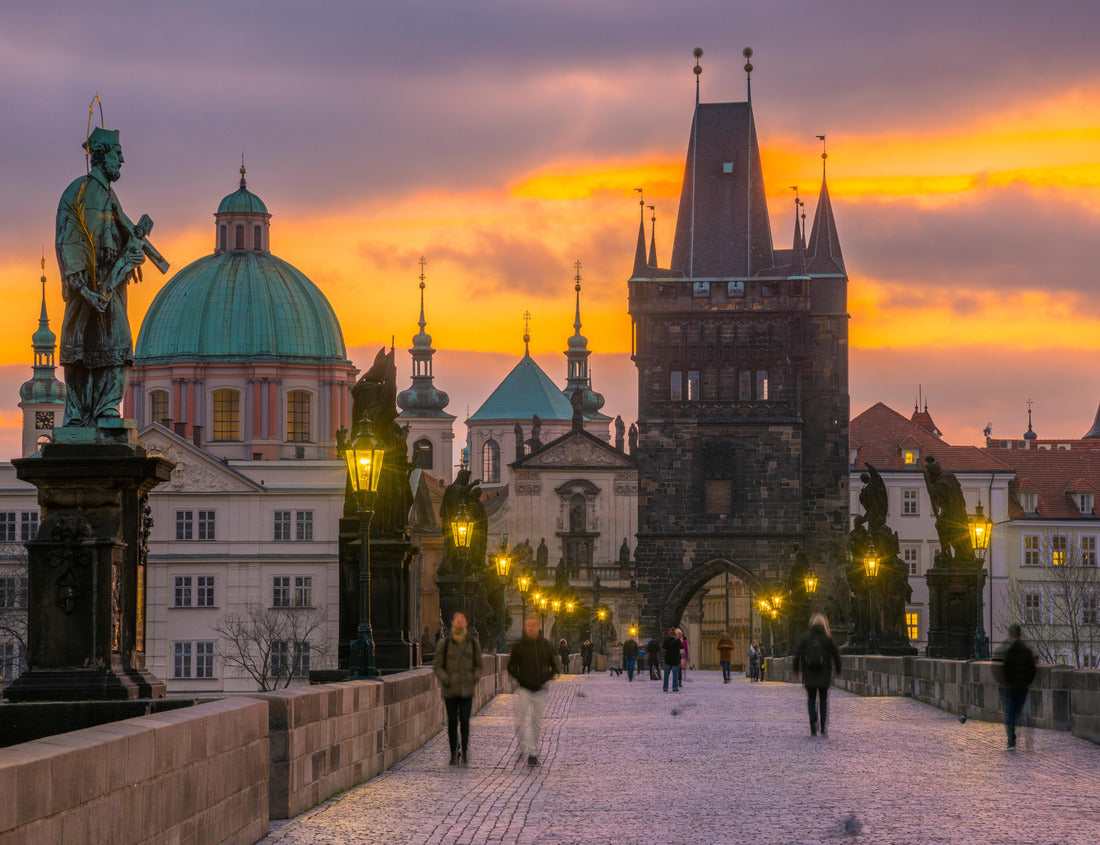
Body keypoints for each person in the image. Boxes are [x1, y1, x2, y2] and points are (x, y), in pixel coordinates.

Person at [56, 126, 164, 428]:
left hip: (110, 285)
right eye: (118, 154)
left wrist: (132, 257)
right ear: (102, 156)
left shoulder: (108, 194)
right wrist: (85, 288)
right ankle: (79, 414)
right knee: (83, 349)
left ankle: (105, 408)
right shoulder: (81, 191)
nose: (123, 160)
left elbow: (121, 235)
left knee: (115, 345)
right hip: (89, 287)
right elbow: (70, 239)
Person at [508, 616, 560, 766]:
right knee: (521, 720)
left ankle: (533, 753)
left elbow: (554, 667)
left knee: (536, 722)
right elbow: (511, 667)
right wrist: (520, 678)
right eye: (528, 625)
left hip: (539, 690)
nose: (531, 628)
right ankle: (523, 745)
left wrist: (544, 678)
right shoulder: (519, 646)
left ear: (538, 627)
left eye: (533, 625)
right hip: (524, 689)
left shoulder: (545, 645)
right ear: (526, 627)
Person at [432, 611, 483, 765]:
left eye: (463, 621)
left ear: (466, 624)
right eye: (457, 621)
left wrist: (473, 678)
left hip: (467, 689)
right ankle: (454, 752)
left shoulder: (472, 643)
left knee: (465, 721)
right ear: (452, 623)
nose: (460, 624)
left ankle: (465, 751)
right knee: (452, 722)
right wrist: (446, 679)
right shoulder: (445, 644)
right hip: (450, 690)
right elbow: (437, 666)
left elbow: (479, 665)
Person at [792, 613, 843, 737]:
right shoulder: (828, 638)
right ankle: (823, 726)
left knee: (811, 699)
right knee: (823, 700)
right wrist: (838, 671)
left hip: (809, 672)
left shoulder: (805, 638)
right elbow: (836, 655)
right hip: (824, 672)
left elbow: (797, 655)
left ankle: (813, 726)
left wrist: (796, 671)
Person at [994, 623, 1038, 749]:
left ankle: (1011, 740)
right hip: (1022, 686)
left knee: (1009, 712)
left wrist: (1002, 682)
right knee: (1020, 711)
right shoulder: (1026, 649)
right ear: (1020, 635)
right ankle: (1028, 739)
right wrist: (1027, 681)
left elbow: (999, 669)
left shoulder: (1002, 648)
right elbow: (1032, 669)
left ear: (1008, 634)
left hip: (1007, 686)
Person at [662, 627, 683, 692]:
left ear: (669, 633)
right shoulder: (677, 640)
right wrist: (678, 639)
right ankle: (674, 687)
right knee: (675, 675)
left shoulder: (666, 640)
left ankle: (665, 688)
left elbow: (663, 647)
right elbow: (682, 646)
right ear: (675, 634)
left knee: (666, 675)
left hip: (668, 660)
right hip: (675, 660)